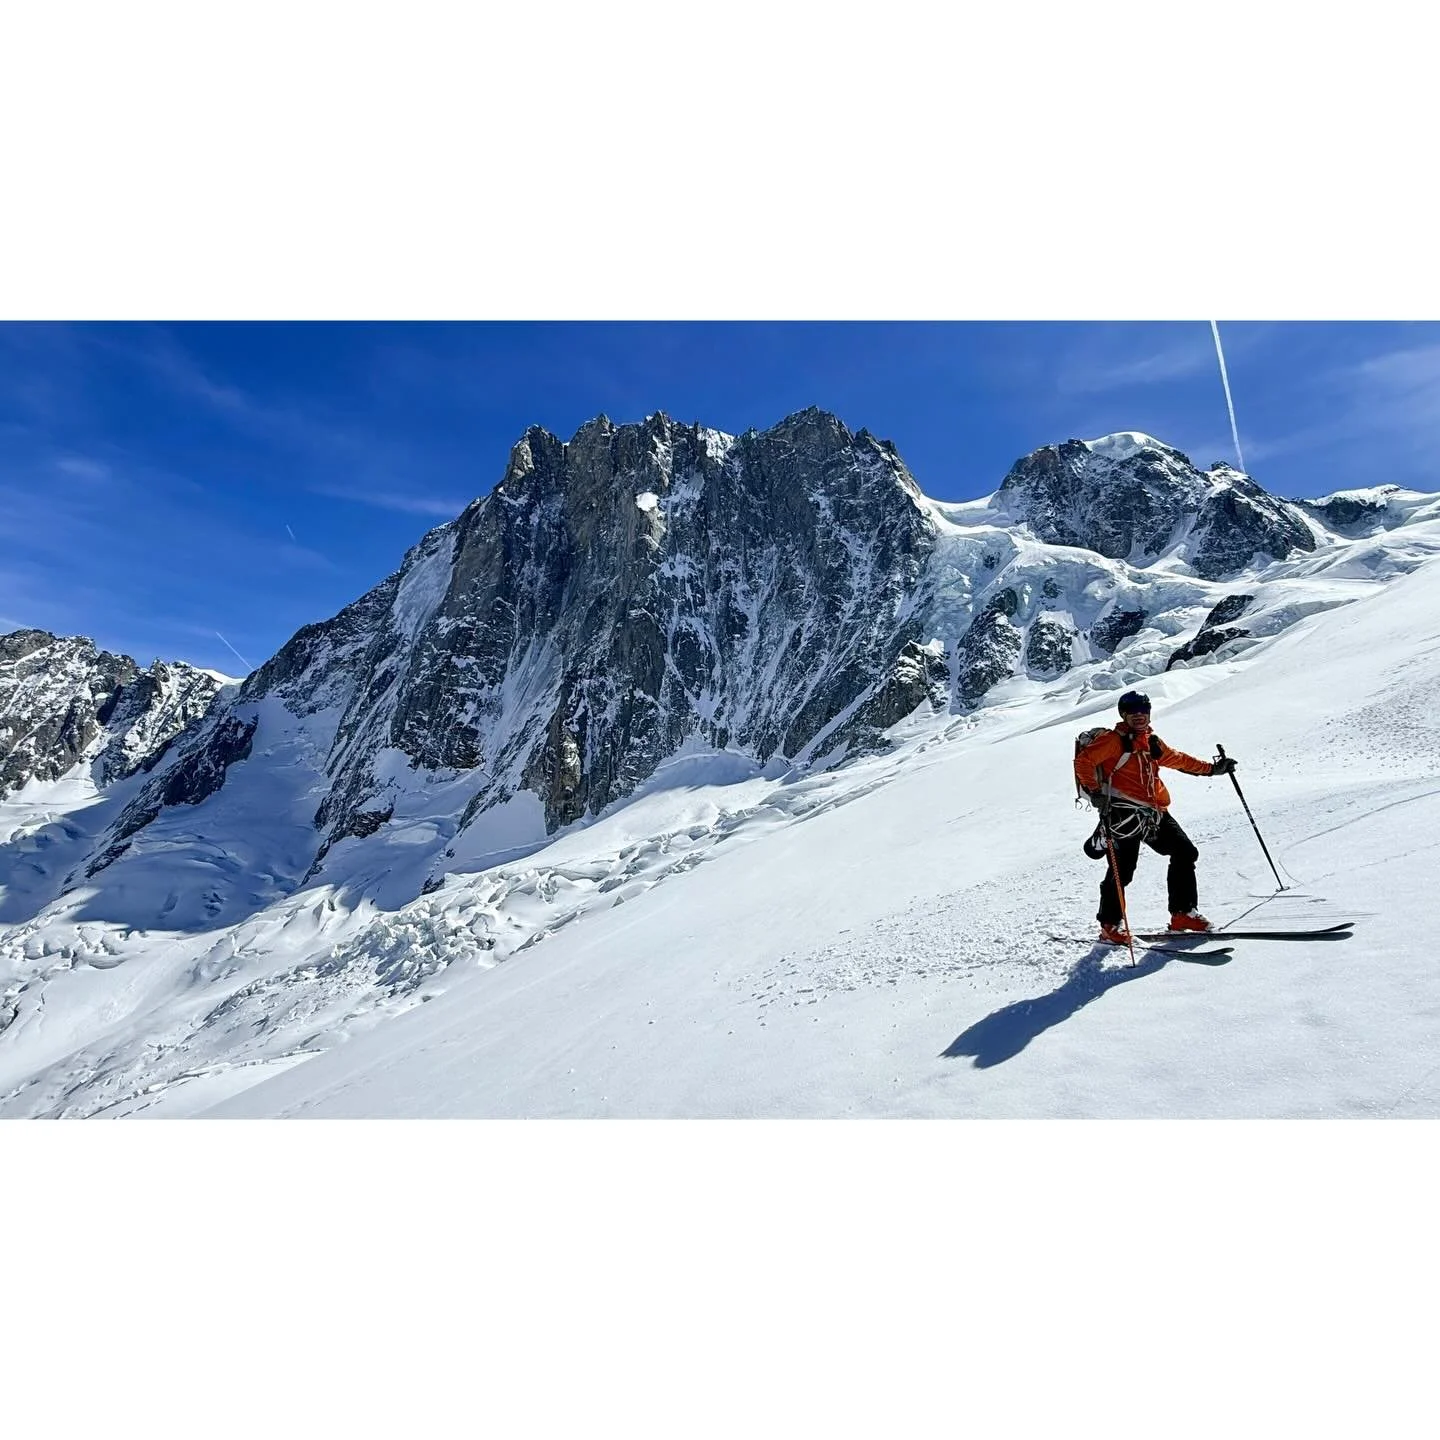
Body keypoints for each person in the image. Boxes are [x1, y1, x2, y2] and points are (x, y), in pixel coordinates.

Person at [1074, 690, 1237, 945]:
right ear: (1123, 714)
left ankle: (1182, 914)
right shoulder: (1112, 740)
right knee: (1122, 871)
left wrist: (1212, 769)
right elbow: (1084, 762)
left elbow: (1179, 760)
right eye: (1132, 711)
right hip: (1122, 814)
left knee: (1185, 852)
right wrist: (1095, 792)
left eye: (1143, 710)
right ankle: (1109, 925)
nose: (1139, 715)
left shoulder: (1151, 742)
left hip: (1154, 811)